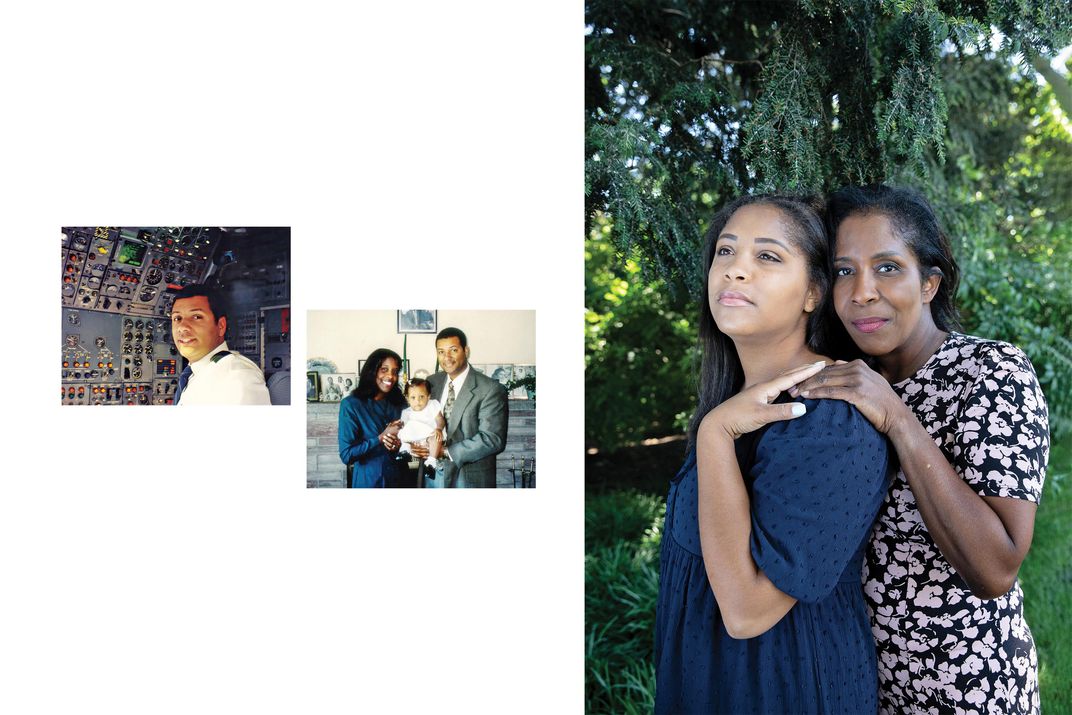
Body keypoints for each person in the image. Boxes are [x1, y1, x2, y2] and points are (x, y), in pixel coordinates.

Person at [791, 185, 1048, 714]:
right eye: (844, 270)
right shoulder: (841, 384)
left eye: (887, 267)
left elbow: (995, 570)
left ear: (928, 283)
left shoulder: (991, 374)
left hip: (967, 687)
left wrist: (898, 420)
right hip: (860, 685)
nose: (861, 291)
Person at [654, 194, 891, 714]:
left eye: (767, 256)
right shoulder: (736, 405)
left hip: (784, 691)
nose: (735, 271)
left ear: (813, 293)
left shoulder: (830, 422)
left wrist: (715, 435)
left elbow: (746, 611)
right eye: (725, 252)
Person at [411, 327, 508, 488]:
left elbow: (492, 439)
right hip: (432, 477)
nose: (446, 357)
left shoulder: (490, 389)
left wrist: (444, 451)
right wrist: (417, 444)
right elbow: (421, 418)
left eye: (453, 350)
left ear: (466, 351)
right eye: (441, 352)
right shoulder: (431, 382)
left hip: (469, 478)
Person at [170, 283, 270, 405]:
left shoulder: (238, 376)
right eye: (177, 318)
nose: (182, 327)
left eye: (196, 317)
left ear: (221, 326)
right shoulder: (197, 372)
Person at [338, 348, 409, 488]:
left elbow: (406, 442)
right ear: (372, 371)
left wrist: (398, 445)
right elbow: (346, 455)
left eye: (395, 372)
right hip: (369, 480)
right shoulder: (351, 405)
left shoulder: (400, 404)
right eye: (384, 369)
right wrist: (380, 438)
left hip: (400, 478)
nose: (391, 376)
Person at [397, 378, 446, 469]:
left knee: (436, 438)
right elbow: (403, 428)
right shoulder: (406, 412)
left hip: (429, 436)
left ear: (428, 396)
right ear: (407, 398)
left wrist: (439, 428)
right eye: (413, 397)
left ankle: (431, 461)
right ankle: (404, 452)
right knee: (404, 434)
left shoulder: (432, 405)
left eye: (422, 396)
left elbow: (440, 419)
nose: (417, 401)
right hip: (414, 440)